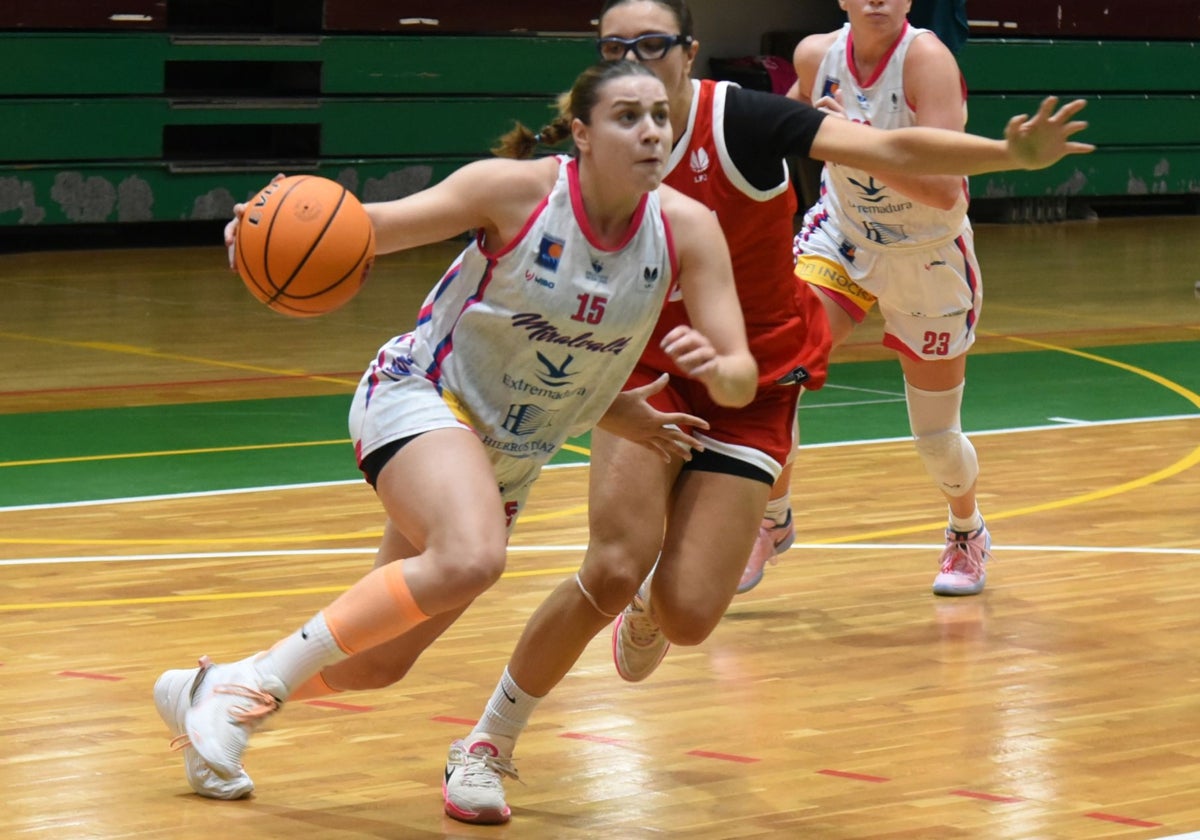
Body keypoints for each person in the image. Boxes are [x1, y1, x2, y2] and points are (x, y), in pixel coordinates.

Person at [439, 0, 1091, 825]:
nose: (638, 59)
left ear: (689, 51)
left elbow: (893, 148)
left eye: (654, 43)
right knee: (610, 564)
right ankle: (488, 744)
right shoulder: (593, 141)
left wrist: (1005, 152)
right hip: (667, 363)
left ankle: (704, 582)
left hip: (799, 346)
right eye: (618, 48)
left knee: (691, 611)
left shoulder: (744, 117)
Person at [152, 58, 762, 800]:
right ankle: (247, 690)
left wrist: (706, 372)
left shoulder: (688, 230)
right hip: (421, 396)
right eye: (627, 117)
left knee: (380, 662)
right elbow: (368, 228)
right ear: (582, 134)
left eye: (660, 116)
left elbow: (737, 370)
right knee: (475, 556)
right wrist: (257, 228)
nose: (650, 132)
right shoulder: (514, 193)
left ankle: (207, 691)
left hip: (507, 459)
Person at [741, 0, 998, 598]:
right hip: (846, 237)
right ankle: (772, 518)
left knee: (936, 439)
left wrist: (860, 142)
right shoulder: (816, 55)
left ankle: (967, 529)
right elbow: (795, 137)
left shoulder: (926, 60)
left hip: (928, 250)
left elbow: (942, 189)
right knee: (776, 375)